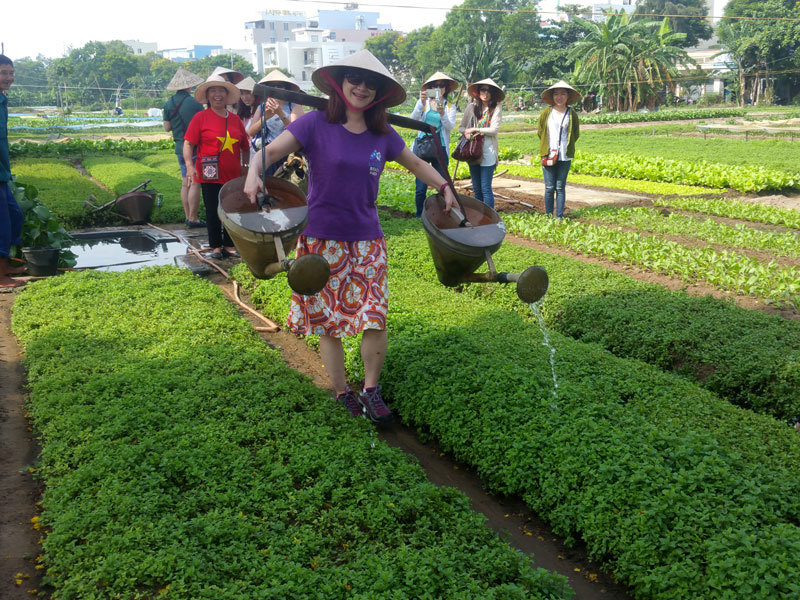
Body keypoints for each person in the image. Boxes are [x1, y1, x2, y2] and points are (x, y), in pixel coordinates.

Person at [242, 50, 457, 424]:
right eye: (354, 80)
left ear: (379, 93)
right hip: (321, 240)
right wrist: (252, 173)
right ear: (339, 84)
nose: (361, 88)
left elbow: (417, 163)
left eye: (369, 84)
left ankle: (372, 390)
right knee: (329, 323)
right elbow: (269, 151)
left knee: (374, 317)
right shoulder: (314, 124)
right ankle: (342, 391)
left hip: (367, 241)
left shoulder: (382, 133)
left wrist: (445, 186)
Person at [183, 75, 249, 260]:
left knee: (231, 210)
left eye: (221, 90)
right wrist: (189, 166)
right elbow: (188, 144)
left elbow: (245, 146)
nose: (217, 94)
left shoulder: (235, 120)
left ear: (227, 95)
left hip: (233, 175)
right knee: (212, 209)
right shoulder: (200, 118)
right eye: (213, 90)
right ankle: (215, 247)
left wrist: (245, 166)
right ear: (207, 95)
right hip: (209, 174)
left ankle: (228, 244)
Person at [410, 71, 457, 218]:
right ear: (429, 88)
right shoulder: (423, 104)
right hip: (423, 148)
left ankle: (442, 214)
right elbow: (413, 120)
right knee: (421, 187)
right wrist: (421, 103)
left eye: (442, 86)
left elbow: (449, 127)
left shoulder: (450, 107)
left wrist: (442, 114)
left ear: (446, 89)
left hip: (440, 149)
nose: (438, 88)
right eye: (435, 85)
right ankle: (419, 215)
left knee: (443, 185)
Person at [163, 67, 206, 228]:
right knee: (195, 182)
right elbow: (203, 124)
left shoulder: (168, 104)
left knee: (184, 183)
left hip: (179, 148)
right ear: (189, 86)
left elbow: (167, 127)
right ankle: (193, 218)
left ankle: (187, 216)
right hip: (194, 148)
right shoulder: (195, 103)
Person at [537, 80, 581, 219]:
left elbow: (575, 133)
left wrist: (565, 146)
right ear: (552, 96)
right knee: (549, 187)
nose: (559, 97)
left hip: (564, 155)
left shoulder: (571, 114)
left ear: (568, 96)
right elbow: (540, 131)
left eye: (563, 94)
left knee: (560, 187)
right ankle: (549, 216)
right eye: (556, 94)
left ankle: (559, 217)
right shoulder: (546, 113)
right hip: (548, 154)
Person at [458, 78, 503, 210]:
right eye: (483, 89)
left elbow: (494, 130)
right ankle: (478, 215)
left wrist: (476, 129)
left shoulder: (496, 108)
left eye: (489, 90)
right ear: (478, 92)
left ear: (493, 93)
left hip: (488, 152)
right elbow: (461, 127)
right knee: (476, 188)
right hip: (473, 152)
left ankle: (488, 217)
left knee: (485, 188)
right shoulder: (471, 107)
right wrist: (466, 132)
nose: (485, 93)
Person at [249, 70, 304, 175]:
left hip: (289, 153)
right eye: (271, 86)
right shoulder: (262, 107)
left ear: (286, 88)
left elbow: (298, 132)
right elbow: (251, 132)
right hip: (271, 152)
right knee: (271, 186)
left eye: (279, 86)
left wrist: (280, 113)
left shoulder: (293, 105)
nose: (275, 89)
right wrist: (265, 117)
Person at [0, 54, 25, 289]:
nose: (9, 78)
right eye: (3, 73)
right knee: (2, 222)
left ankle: (5, 264)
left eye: (10, 73)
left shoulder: (2, 100)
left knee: (14, 216)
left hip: (2, 172)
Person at [234, 76, 263, 162]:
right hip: (245, 154)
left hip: (259, 154)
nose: (244, 97)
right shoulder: (243, 114)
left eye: (247, 93)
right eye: (242, 94)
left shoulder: (263, 111)